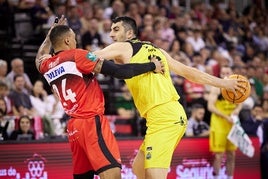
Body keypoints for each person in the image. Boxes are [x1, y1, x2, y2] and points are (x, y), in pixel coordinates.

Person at [93, 16, 243, 179]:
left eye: (116, 30)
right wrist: (223, 83)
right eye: (110, 30)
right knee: (139, 169)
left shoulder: (123, 47)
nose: (111, 34)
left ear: (129, 34)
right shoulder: (158, 50)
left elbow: (90, 57)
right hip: (165, 116)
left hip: (165, 117)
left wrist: (64, 55)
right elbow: (189, 72)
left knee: (152, 174)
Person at [35, 16, 164, 179]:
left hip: (74, 128)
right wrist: (152, 66)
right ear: (68, 41)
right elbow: (119, 71)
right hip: (90, 122)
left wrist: (50, 35)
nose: (76, 42)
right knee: (113, 174)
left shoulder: (47, 65)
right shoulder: (77, 56)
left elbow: (39, 56)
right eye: (74, 39)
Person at [207, 66, 242, 179]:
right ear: (220, 75)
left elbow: (241, 102)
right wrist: (225, 116)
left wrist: (237, 110)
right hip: (219, 125)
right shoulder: (216, 88)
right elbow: (210, 107)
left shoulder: (236, 87)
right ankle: (216, 177)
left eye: (227, 73)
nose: (225, 75)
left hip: (232, 124)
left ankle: (230, 177)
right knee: (219, 155)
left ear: (232, 73)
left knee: (232, 154)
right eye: (223, 73)